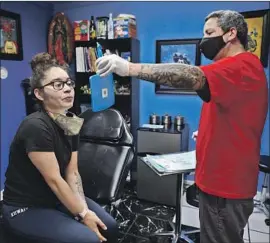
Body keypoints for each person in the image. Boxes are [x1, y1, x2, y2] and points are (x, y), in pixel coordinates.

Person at [95, 10, 268, 243]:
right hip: (221, 180)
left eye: (209, 33)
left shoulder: (241, 65)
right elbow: (235, 115)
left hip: (224, 188)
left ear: (231, 34)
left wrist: (129, 68)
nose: (203, 40)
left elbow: (190, 75)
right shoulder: (236, 73)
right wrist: (207, 132)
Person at [2, 53, 118, 243]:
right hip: (26, 208)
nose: (68, 89)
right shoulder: (35, 126)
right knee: (87, 239)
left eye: (68, 83)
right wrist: (82, 214)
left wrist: (84, 211)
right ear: (39, 94)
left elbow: (72, 173)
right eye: (58, 84)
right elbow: (55, 180)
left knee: (109, 228)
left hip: (55, 200)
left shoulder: (70, 122)